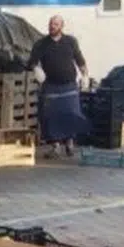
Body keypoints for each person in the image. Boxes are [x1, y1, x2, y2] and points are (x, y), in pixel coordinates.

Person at [26, 15, 89, 156]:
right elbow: (31, 62)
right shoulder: (41, 44)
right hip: (51, 86)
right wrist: (36, 69)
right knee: (51, 117)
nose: (52, 26)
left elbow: (80, 60)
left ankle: (69, 144)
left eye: (55, 24)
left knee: (71, 114)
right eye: (50, 24)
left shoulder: (71, 42)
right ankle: (55, 146)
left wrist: (85, 75)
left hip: (69, 86)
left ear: (61, 26)